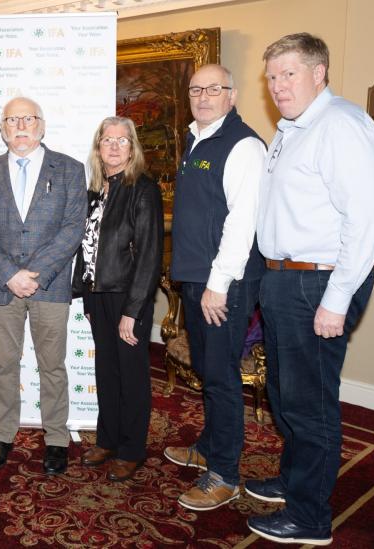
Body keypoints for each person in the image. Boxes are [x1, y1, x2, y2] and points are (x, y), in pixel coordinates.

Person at [247, 33, 374, 546]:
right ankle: (293, 480)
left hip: (319, 282)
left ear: (319, 73)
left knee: (311, 404)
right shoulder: (293, 129)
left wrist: (336, 299)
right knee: (286, 395)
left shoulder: (340, 125)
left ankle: (310, 517)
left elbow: (368, 220)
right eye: (272, 75)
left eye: (289, 73)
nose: (278, 85)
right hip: (285, 279)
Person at [163, 64, 266, 510]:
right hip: (197, 279)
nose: (203, 96)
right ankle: (209, 444)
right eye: (196, 89)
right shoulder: (197, 139)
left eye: (214, 89)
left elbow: (242, 223)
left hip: (224, 283)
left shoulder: (243, 145)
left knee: (221, 378)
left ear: (233, 94)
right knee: (208, 368)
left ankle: (224, 474)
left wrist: (218, 284)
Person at [0, 97, 86, 475]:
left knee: (52, 366)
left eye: (28, 119)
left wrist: (34, 274)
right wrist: (9, 274)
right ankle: (2, 434)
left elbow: (72, 228)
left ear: (42, 125)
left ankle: (56, 439)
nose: (20, 125)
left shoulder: (69, 169)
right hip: (3, 286)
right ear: (2, 128)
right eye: (11, 120)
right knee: (4, 365)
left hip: (49, 287)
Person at [71, 117, 163, 481]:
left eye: (121, 141)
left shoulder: (143, 189)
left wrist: (133, 311)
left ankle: (132, 448)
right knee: (106, 371)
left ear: (133, 148)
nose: (113, 146)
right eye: (107, 140)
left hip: (129, 299)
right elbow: (88, 249)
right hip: (97, 296)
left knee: (132, 375)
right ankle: (107, 438)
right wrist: (87, 294)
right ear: (98, 147)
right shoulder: (95, 191)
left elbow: (149, 256)